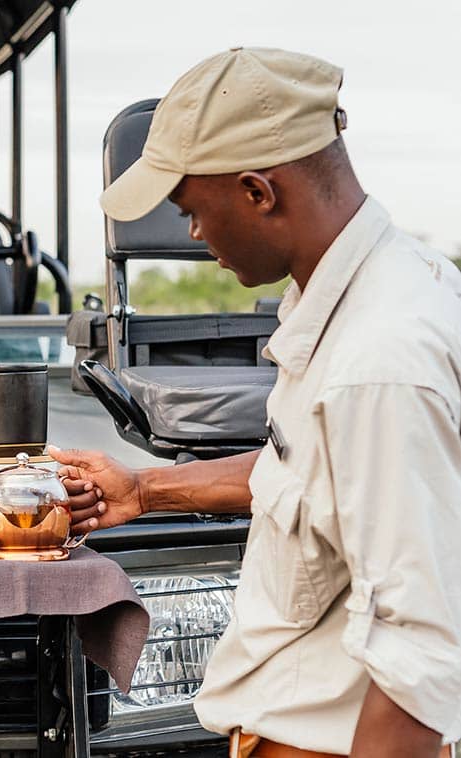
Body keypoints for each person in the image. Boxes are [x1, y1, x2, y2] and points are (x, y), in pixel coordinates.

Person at [55, 47, 460, 758]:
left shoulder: (378, 359)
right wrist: (143, 491)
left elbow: (418, 656)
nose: (193, 236)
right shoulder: (369, 295)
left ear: (256, 192)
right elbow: (320, 472)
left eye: (190, 210)